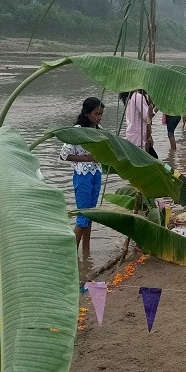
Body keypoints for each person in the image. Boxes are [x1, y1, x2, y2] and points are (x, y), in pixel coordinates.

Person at [60, 97, 105, 256]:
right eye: (96, 114)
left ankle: (86, 251)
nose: (98, 117)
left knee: (91, 213)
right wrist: (86, 158)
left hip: (96, 173)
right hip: (83, 175)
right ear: (86, 113)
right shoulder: (77, 130)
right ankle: (71, 255)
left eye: (100, 114)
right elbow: (64, 155)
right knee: (82, 216)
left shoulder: (98, 128)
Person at [122, 89, 155, 156]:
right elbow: (147, 118)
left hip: (133, 134)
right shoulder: (138, 97)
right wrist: (157, 107)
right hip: (138, 136)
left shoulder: (130, 98)